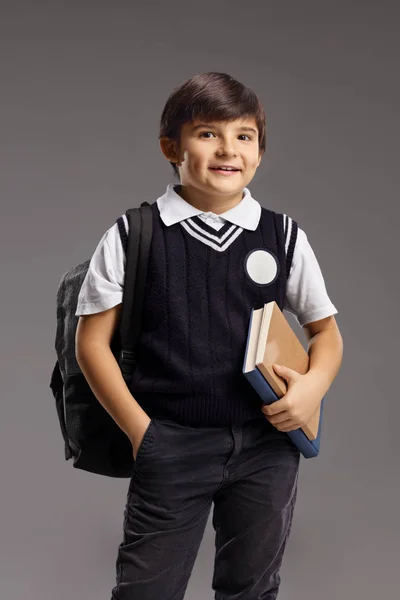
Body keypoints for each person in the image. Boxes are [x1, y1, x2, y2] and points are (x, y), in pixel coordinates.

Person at [75, 71, 343, 600]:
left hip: (267, 446)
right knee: (145, 590)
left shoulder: (283, 235)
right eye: (207, 134)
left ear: (260, 152)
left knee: (251, 588)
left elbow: (326, 333)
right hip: (170, 441)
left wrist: (312, 389)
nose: (228, 149)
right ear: (170, 147)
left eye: (244, 136)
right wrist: (142, 434)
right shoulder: (134, 234)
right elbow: (91, 345)